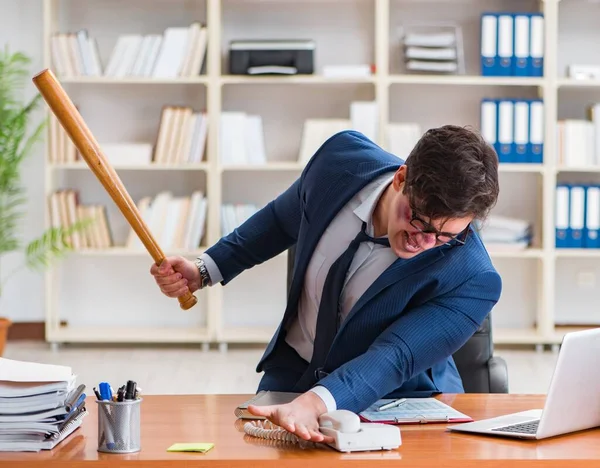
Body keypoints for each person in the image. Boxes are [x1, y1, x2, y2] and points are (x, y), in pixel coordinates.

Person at [150, 125, 502, 443]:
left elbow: (394, 357)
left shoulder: (472, 276)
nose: (423, 242)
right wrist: (205, 269)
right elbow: (278, 221)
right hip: (293, 372)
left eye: (444, 236)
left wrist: (317, 402)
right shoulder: (339, 163)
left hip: (399, 403)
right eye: (419, 220)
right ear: (401, 178)